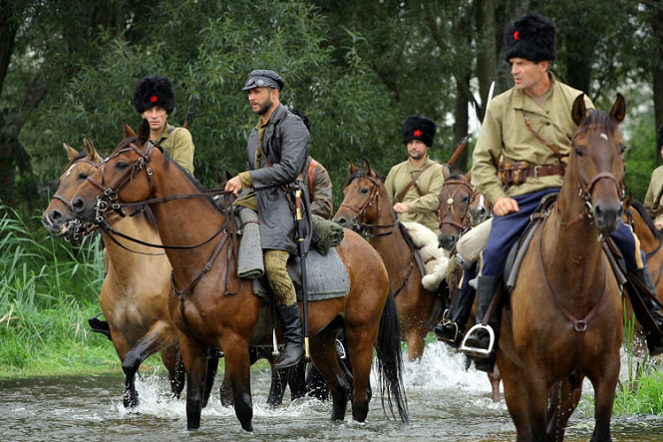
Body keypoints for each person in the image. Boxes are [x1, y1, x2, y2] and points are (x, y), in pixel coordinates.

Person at [460, 12, 663, 370]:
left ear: (544, 64)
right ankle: (484, 333)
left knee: (629, 243)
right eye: (512, 63)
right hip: (520, 199)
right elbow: (482, 162)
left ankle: (654, 323)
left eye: (522, 63)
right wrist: (497, 197)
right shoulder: (500, 106)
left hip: (573, 197)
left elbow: (599, 149)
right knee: (491, 253)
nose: (515, 70)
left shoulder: (577, 101)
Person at [225, 69, 311, 368]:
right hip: (255, 201)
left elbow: (288, 169)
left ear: (274, 93)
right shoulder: (255, 131)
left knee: (274, 267)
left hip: (284, 206)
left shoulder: (293, 125)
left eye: (257, 91)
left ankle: (295, 340)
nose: (251, 97)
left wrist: (246, 177)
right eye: (249, 92)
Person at [385, 115, 446, 236]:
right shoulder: (395, 171)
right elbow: (386, 202)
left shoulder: (438, 170)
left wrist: (408, 206)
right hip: (400, 229)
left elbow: (435, 199)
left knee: (441, 254)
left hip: (429, 230)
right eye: (410, 142)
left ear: (427, 145)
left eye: (418, 142)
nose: (413, 146)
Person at [133, 75, 195, 175]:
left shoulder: (179, 136)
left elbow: (184, 175)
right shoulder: (136, 143)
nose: (154, 116)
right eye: (149, 110)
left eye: (159, 110)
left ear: (167, 112)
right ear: (142, 114)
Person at [290, 109, 334, 219]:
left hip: (306, 227)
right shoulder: (271, 167)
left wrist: (295, 214)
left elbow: (323, 206)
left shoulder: (316, 172)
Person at [644, 125, 663, 230]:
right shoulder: (656, 174)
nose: (662, 152)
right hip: (656, 229)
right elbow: (648, 209)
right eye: (661, 148)